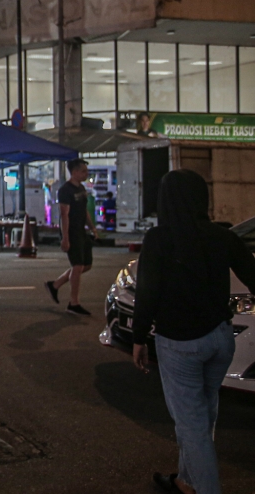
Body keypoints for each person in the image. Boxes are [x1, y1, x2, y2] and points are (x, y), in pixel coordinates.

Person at [132, 170, 255, 494]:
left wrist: (139, 337)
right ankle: (186, 480)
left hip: (180, 343)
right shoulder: (223, 236)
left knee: (192, 425)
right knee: (204, 414)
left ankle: (205, 488)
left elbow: (147, 292)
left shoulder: (159, 238)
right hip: (220, 339)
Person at [44, 158, 97, 316]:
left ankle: (55, 285)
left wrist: (92, 228)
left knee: (86, 265)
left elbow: (84, 210)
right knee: (78, 266)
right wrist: (65, 238)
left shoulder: (81, 188)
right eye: (83, 171)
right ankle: (74, 303)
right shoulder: (65, 190)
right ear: (74, 172)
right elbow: (64, 215)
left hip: (81, 231)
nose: (86, 174)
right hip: (72, 232)